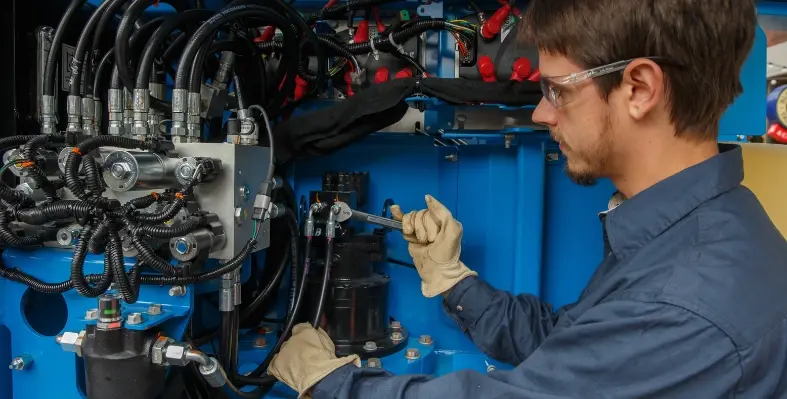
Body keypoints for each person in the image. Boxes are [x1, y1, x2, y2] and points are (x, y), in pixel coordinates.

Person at [267, 0, 787, 397]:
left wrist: (332, 384)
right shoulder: (696, 230)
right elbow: (576, 345)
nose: (541, 113)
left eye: (558, 90)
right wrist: (455, 281)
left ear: (639, 89)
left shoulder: (685, 301)